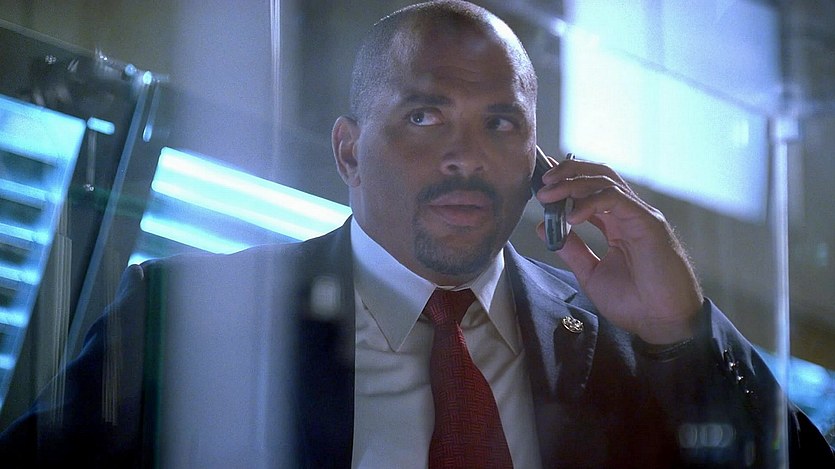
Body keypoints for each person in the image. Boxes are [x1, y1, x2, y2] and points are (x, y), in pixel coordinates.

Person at [1, 1, 832, 467]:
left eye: (501, 123)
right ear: (348, 151)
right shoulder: (186, 314)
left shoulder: (626, 346)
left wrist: (684, 333)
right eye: (425, 115)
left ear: (539, 160)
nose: (466, 154)